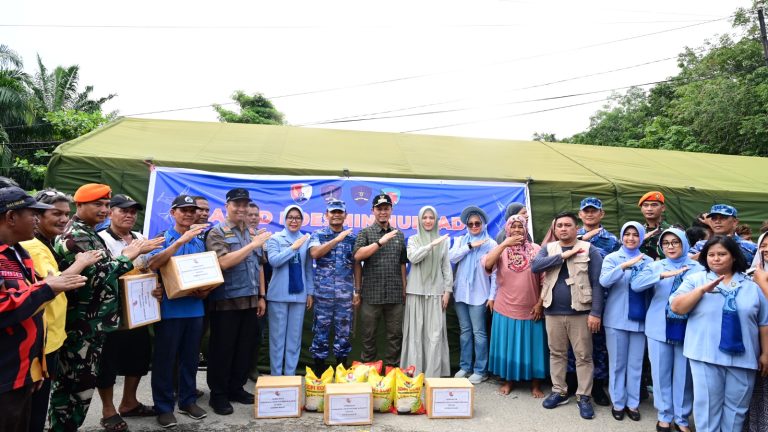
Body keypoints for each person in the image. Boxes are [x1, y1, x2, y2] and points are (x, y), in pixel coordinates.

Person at [49, 183, 157, 432]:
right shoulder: (75, 236)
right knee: (73, 388)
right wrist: (128, 255)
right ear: (80, 205)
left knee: (80, 388)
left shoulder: (88, 232)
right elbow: (99, 276)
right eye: (97, 204)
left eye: (107, 204)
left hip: (94, 324)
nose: (104, 209)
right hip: (81, 326)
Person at [0, 186, 87, 432]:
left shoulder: (19, 252)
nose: (36, 220)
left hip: (24, 370)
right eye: (32, 214)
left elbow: (34, 312)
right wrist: (47, 288)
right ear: (11, 217)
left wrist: (36, 366)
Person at [670, 236, 768, 432]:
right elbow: (677, 307)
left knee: (737, 411)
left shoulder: (751, 285)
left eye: (722, 254)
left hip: (743, 358)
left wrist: (765, 353)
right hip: (705, 355)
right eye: (711, 254)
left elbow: (763, 323)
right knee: (707, 410)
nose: (715, 259)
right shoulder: (695, 280)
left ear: (734, 257)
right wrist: (700, 291)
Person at [95, 195, 162, 430]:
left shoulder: (141, 238)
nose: (129, 215)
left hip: (139, 309)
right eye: (123, 210)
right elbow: (103, 273)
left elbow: (148, 269)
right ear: (110, 212)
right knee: (108, 361)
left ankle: (129, 402)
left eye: (133, 211)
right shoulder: (100, 239)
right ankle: (108, 410)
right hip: (111, 311)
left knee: (139, 356)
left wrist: (155, 286)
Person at [532, 211, 604, 420]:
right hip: (552, 311)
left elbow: (598, 283)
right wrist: (562, 256)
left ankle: (584, 396)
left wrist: (596, 312)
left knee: (583, 356)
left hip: (580, 312)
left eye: (567, 225)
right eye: (559, 225)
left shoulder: (589, 249)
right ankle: (559, 391)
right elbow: (535, 267)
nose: (563, 229)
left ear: (576, 227)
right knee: (556, 353)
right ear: (554, 229)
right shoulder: (549, 248)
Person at [205, 188, 270, 415]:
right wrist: (252, 244)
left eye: (245, 204)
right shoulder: (217, 232)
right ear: (227, 206)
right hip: (226, 302)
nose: (241, 209)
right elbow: (223, 262)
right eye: (237, 204)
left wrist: (261, 296)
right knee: (223, 350)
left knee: (244, 349)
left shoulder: (251, 233)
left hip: (251, 301)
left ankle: (236, 388)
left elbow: (259, 266)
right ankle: (218, 395)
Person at [631, 228, 704, 432]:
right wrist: (661, 275)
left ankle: (681, 418)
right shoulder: (656, 266)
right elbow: (636, 284)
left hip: (687, 327)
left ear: (684, 243)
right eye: (666, 243)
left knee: (684, 375)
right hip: (658, 327)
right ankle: (664, 415)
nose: (670, 247)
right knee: (660, 373)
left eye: (675, 242)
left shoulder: (698, 268)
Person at [147, 194, 209, 428]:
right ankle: (163, 407)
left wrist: (205, 290)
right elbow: (153, 264)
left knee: (190, 359)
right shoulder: (162, 238)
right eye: (184, 210)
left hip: (195, 308)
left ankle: (187, 400)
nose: (189, 214)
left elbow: (205, 271)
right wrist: (180, 241)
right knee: (165, 361)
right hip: (169, 310)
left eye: (192, 210)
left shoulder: (199, 241)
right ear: (173, 213)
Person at [484, 214, 548, 396]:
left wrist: (540, 304)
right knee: (508, 347)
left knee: (534, 347)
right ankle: (508, 381)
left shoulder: (536, 249)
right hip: (505, 307)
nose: (517, 230)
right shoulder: (501, 250)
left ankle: (535, 384)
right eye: (513, 226)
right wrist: (504, 244)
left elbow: (545, 279)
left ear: (526, 229)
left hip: (531, 308)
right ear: (507, 229)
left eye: (521, 226)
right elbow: (487, 264)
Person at [599, 222, 653, 422]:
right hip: (616, 319)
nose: (631, 238)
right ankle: (618, 402)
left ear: (642, 237)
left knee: (636, 364)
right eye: (627, 234)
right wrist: (624, 266)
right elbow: (604, 281)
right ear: (621, 237)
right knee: (617, 364)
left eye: (635, 235)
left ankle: (633, 403)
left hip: (640, 320)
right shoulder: (612, 258)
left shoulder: (648, 261)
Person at [571, 197, 618, 405]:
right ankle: (573, 382)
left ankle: (598, 386)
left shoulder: (612, 241)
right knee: (574, 342)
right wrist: (581, 239)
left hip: (601, 298)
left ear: (602, 214)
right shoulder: (571, 236)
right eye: (586, 211)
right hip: (574, 296)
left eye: (594, 211)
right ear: (580, 214)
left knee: (598, 344)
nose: (590, 214)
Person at [353, 193, 408, 367]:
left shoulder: (399, 235)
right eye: (379, 209)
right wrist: (379, 242)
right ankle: (369, 372)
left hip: (395, 294)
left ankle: (391, 372)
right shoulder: (365, 233)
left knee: (395, 336)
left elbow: (402, 263)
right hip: (371, 294)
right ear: (373, 211)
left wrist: (404, 288)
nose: (383, 212)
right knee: (368, 336)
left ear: (391, 210)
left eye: (386, 208)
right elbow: (357, 256)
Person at [401, 206, 452, 377]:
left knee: (434, 335)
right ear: (419, 220)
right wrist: (431, 245)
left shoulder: (443, 241)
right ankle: (414, 373)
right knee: (415, 334)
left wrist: (447, 291)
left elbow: (446, 267)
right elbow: (413, 258)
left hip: (436, 292)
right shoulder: (413, 239)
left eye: (431, 217)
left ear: (436, 220)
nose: (428, 221)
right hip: (415, 292)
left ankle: (432, 375)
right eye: (425, 217)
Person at [449, 206, 497, 384]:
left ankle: (481, 370)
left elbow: (496, 274)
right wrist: (469, 246)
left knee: (479, 333)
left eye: (477, 223)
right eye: (470, 224)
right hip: (461, 293)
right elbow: (451, 258)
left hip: (480, 294)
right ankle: (465, 366)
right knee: (465, 332)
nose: (474, 226)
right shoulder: (461, 240)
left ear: (483, 224)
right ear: (466, 225)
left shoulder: (491, 244)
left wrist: (492, 296)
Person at [308, 200, 357, 370]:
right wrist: (337, 239)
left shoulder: (352, 238)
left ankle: (341, 372)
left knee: (343, 335)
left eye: (339, 212)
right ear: (326, 215)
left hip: (345, 296)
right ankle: (319, 374)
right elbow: (315, 253)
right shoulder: (318, 235)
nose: (336, 215)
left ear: (345, 215)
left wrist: (357, 290)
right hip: (323, 295)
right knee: (320, 333)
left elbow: (356, 265)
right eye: (333, 212)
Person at [265, 205, 314, 376]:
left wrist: (310, 292)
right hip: (278, 295)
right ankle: (276, 376)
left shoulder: (306, 239)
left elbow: (308, 269)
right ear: (285, 219)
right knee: (277, 339)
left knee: (294, 339)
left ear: (302, 220)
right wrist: (293, 247)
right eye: (290, 217)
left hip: (299, 295)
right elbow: (274, 261)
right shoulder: (275, 238)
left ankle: (290, 376)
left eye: (297, 218)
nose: (294, 221)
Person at [744, 232, 768, 432]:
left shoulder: (758, 277)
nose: (766, 249)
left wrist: (762, 283)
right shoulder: (751, 273)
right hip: (757, 340)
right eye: (763, 245)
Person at [690, 204, 757, 264]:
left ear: (735, 222)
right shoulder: (700, 245)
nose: (717, 221)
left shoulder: (750, 247)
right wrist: (711, 248)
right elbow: (686, 263)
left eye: (723, 218)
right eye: (714, 218)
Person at [638, 191, 671, 261]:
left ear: (663, 208)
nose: (649, 209)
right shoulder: (637, 232)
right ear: (641, 209)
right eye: (645, 205)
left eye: (654, 205)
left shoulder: (672, 230)